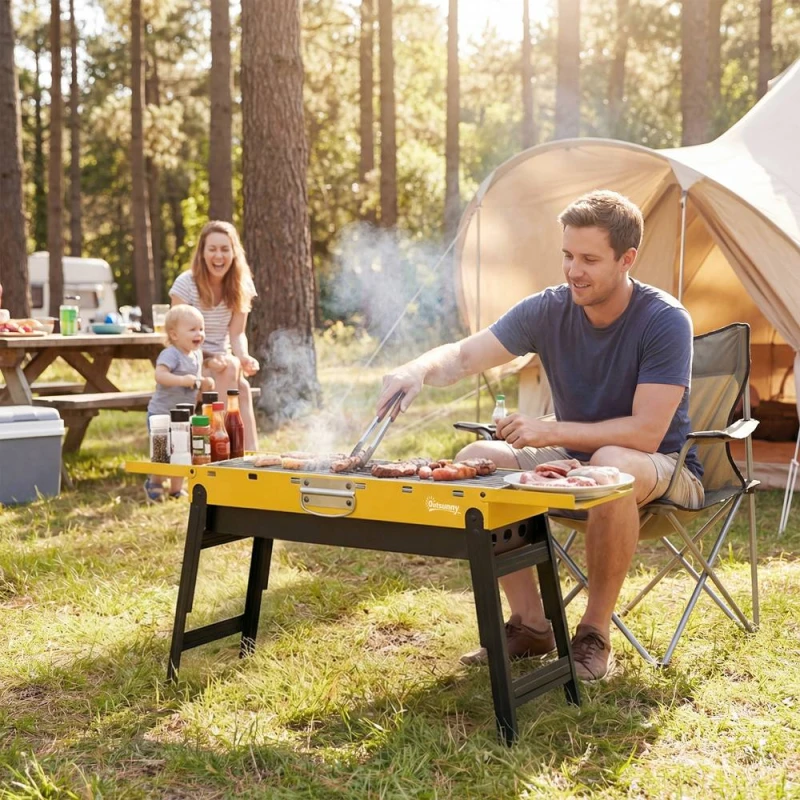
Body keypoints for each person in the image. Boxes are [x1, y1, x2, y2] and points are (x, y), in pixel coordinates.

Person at [376, 190, 705, 681]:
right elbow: (465, 356)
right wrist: (416, 370)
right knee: (477, 455)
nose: (574, 270)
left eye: (590, 259)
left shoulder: (664, 320)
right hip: (573, 462)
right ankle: (531, 624)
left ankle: (593, 634)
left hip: (660, 464)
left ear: (627, 259)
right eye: (568, 255)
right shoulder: (549, 309)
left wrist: (547, 429)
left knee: (611, 464)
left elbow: (646, 430)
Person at [169, 220, 260, 451]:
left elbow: (237, 333)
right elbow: (175, 337)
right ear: (202, 253)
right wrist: (206, 359)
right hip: (187, 361)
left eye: (224, 249)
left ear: (233, 253)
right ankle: (220, 450)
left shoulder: (242, 285)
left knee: (241, 384)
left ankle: (247, 456)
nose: (218, 256)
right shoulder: (185, 284)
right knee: (230, 371)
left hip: (223, 361)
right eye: (212, 249)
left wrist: (245, 357)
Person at [145, 305, 215, 502]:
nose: (199, 334)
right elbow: (160, 375)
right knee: (161, 452)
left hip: (184, 418)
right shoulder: (171, 354)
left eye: (201, 329)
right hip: (161, 415)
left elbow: (197, 380)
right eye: (192, 329)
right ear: (174, 335)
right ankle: (155, 483)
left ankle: (176, 488)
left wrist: (205, 384)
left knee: (182, 451)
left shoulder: (197, 355)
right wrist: (183, 380)